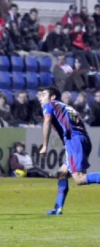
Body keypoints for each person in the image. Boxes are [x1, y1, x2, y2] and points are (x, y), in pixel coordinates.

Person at [39, 86, 100, 215]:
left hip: (74, 141)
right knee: (61, 172)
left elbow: (47, 120)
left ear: (53, 97)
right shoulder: (64, 106)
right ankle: (58, 208)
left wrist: (45, 145)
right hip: (83, 139)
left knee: (79, 179)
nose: (40, 97)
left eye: (43, 94)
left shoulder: (50, 105)